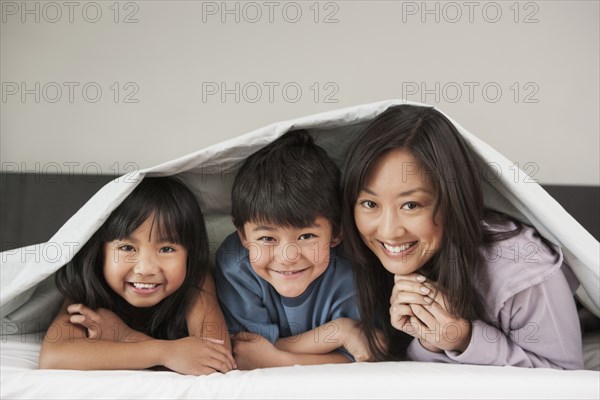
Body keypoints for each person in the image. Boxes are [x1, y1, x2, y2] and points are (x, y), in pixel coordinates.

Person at [340, 105, 584, 369]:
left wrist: (464, 337)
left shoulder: (523, 271)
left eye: (411, 205)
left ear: (452, 202)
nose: (388, 231)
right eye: (369, 204)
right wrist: (431, 340)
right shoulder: (346, 253)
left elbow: (567, 379)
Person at [39, 176, 236, 375]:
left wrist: (125, 336)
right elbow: (54, 357)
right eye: (127, 247)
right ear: (101, 252)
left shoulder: (196, 279)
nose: (145, 268)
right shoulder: (88, 284)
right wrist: (165, 353)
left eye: (167, 249)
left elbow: (215, 357)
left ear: (190, 254)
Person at [215, 130, 371, 369]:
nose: (288, 257)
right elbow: (245, 351)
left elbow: (365, 354)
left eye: (306, 236)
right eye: (267, 238)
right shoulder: (236, 266)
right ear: (243, 236)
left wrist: (278, 359)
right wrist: (339, 332)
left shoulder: (350, 271)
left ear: (337, 232)